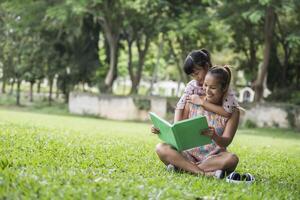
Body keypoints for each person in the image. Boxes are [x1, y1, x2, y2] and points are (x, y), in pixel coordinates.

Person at [152, 65, 240, 177]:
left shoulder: (233, 112)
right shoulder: (193, 100)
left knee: (232, 159)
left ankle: (182, 167)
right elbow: (178, 128)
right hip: (187, 154)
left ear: (224, 88)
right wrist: (162, 130)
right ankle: (203, 173)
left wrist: (215, 136)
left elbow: (226, 141)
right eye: (205, 85)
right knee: (161, 148)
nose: (207, 91)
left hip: (212, 158)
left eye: (213, 88)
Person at [174, 49, 239, 122]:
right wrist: (176, 125)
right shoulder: (192, 86)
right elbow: (180, 104)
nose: (196, 78)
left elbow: (227, 112)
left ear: (206, 66)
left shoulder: (221, 84)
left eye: (197, 73)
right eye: (192, 75)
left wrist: (201, 102)